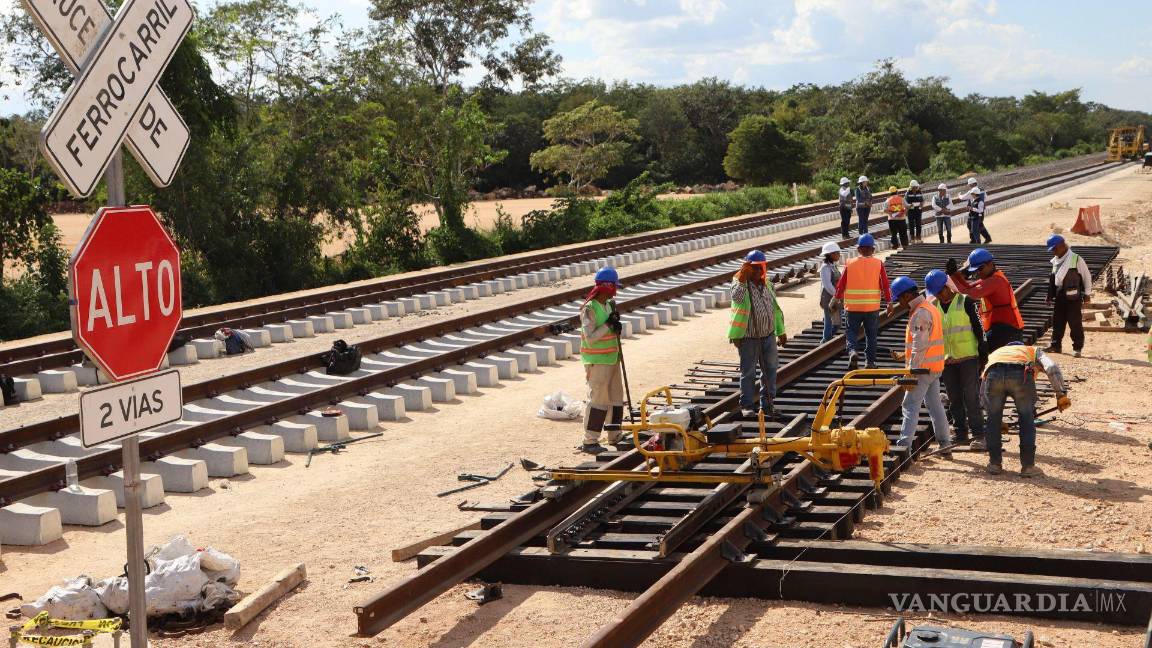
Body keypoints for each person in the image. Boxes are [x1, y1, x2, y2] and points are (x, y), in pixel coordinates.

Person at [982, 342, 1071, 477]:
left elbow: (983, 389)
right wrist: (1061, 394)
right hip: (1020, 375)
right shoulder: (1032, 350)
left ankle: (994, 465)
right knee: (1026, 420)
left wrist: (995, 419)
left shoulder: (997, 353)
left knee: (992, 422)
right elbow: (1051, 367)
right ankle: (1028, 467)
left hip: (994, 375)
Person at [888, 276, 951, 454]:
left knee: (910, 405)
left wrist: (911, 372)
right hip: (934, 368)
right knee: (935, 405)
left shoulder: (920, 313)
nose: (899, 303)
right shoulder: (929, 307)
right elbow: (927, 341)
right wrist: (904, 355)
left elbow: (920, 345)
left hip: (922, 369)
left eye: (899, 299)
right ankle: (945, 444)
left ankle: (904, 447)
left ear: (907, 296)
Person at [926, 270, 987, 450]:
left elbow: (980, 330)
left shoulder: (966, 302)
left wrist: (984, 356)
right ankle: (960, 433)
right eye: (935, 293)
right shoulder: (934, 307)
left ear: (948, 287)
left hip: (968, 357)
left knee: (971, 397)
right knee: (954, 398)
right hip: (947, 361)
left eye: (940, 291)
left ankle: (978, 435)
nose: (938, 295)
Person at [730, 250, 787, 418]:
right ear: (746, 268)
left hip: (768, 335)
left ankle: (767, 405)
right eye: (753, 268)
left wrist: (781, 331)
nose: (757, 271)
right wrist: (743, 277)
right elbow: (737, 298)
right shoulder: (739, 283)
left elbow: (774, 309)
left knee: (770, 370)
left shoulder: (767, 284)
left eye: (760, 267)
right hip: (749, 337)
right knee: (748, 372)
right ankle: (747, 405)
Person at [580, 266, 626, 454]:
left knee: (616, 398)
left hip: (612, 358)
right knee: (598, 400)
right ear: (607, 286)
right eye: (614, 286)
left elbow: (609, 330)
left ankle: (614, 434)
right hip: (597, 361)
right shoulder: (589, 309)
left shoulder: (609, 304)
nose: (616, 291)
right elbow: (590, 338)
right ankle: (590, 440)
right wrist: (608, 324)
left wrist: (616, 327)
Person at [947, 248, 1024, 351]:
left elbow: (968, 294)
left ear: (990, 264)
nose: (978, 273)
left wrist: (952, 276)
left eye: (980, 268)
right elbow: (969, 287)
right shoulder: (992, 277)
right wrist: (956, 274)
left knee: (982, 351)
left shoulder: (994, 281)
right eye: (975, 270)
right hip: (1003, 328)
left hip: (1006, 330)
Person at [835, 234, 891, 370]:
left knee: (851, 332)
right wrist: (889, 302)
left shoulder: (850, 263)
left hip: (852, 308)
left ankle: (853, 351)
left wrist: (836, 298)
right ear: (873, 249)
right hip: (872, 308)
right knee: (871, 335)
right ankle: (870, 362)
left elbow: (841, 283)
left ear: (858, 249)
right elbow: (885, 284)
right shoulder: (878, 264)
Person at [1045, 234, 1092, 357]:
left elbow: (1087, 277)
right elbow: (1054, 279)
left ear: (1062, 245)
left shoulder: (1076, 259)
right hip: (1060, 296)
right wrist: (1050, 295)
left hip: (1073, 297)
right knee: (1058, 322)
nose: (1053, 252)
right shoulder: (1055, 261)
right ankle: (1056, 345)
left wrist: (1087, 294)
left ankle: (1077, 348)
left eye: (1055, 249)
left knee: (1075, 323)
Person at [819, 242, 842, 342]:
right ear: (830, 254)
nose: (839, 255)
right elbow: (827, 285)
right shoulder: (825, 268)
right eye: (837, 253)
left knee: (837, 323)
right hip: (828, 298)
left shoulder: (833, 265)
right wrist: (837, 295)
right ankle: (825, 341)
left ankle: (827, 340)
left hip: (835, 298)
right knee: (829, 322)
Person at [959, 177, 991, 244]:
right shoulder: (982, 189)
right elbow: (986, 197)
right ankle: (987, 238)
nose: (969, 186)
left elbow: (962, 198)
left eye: (969, 185)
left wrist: (959, 195)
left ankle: (974, 240)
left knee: (971, 225)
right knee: (980, 225)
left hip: (975, 212)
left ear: (972, 184)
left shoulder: (972, 191)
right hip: (981, 212)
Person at [884, 185, 909, 249]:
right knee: (903, 233)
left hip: (892, 219)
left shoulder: (888, 200)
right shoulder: (901, 199)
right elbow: (907, 207)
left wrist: (891, 214)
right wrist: (904, 213)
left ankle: (895, 245)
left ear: (890, 193)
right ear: (897, 192)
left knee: (893, 233)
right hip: (901, 219)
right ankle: (905, 245)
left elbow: (885, 210)